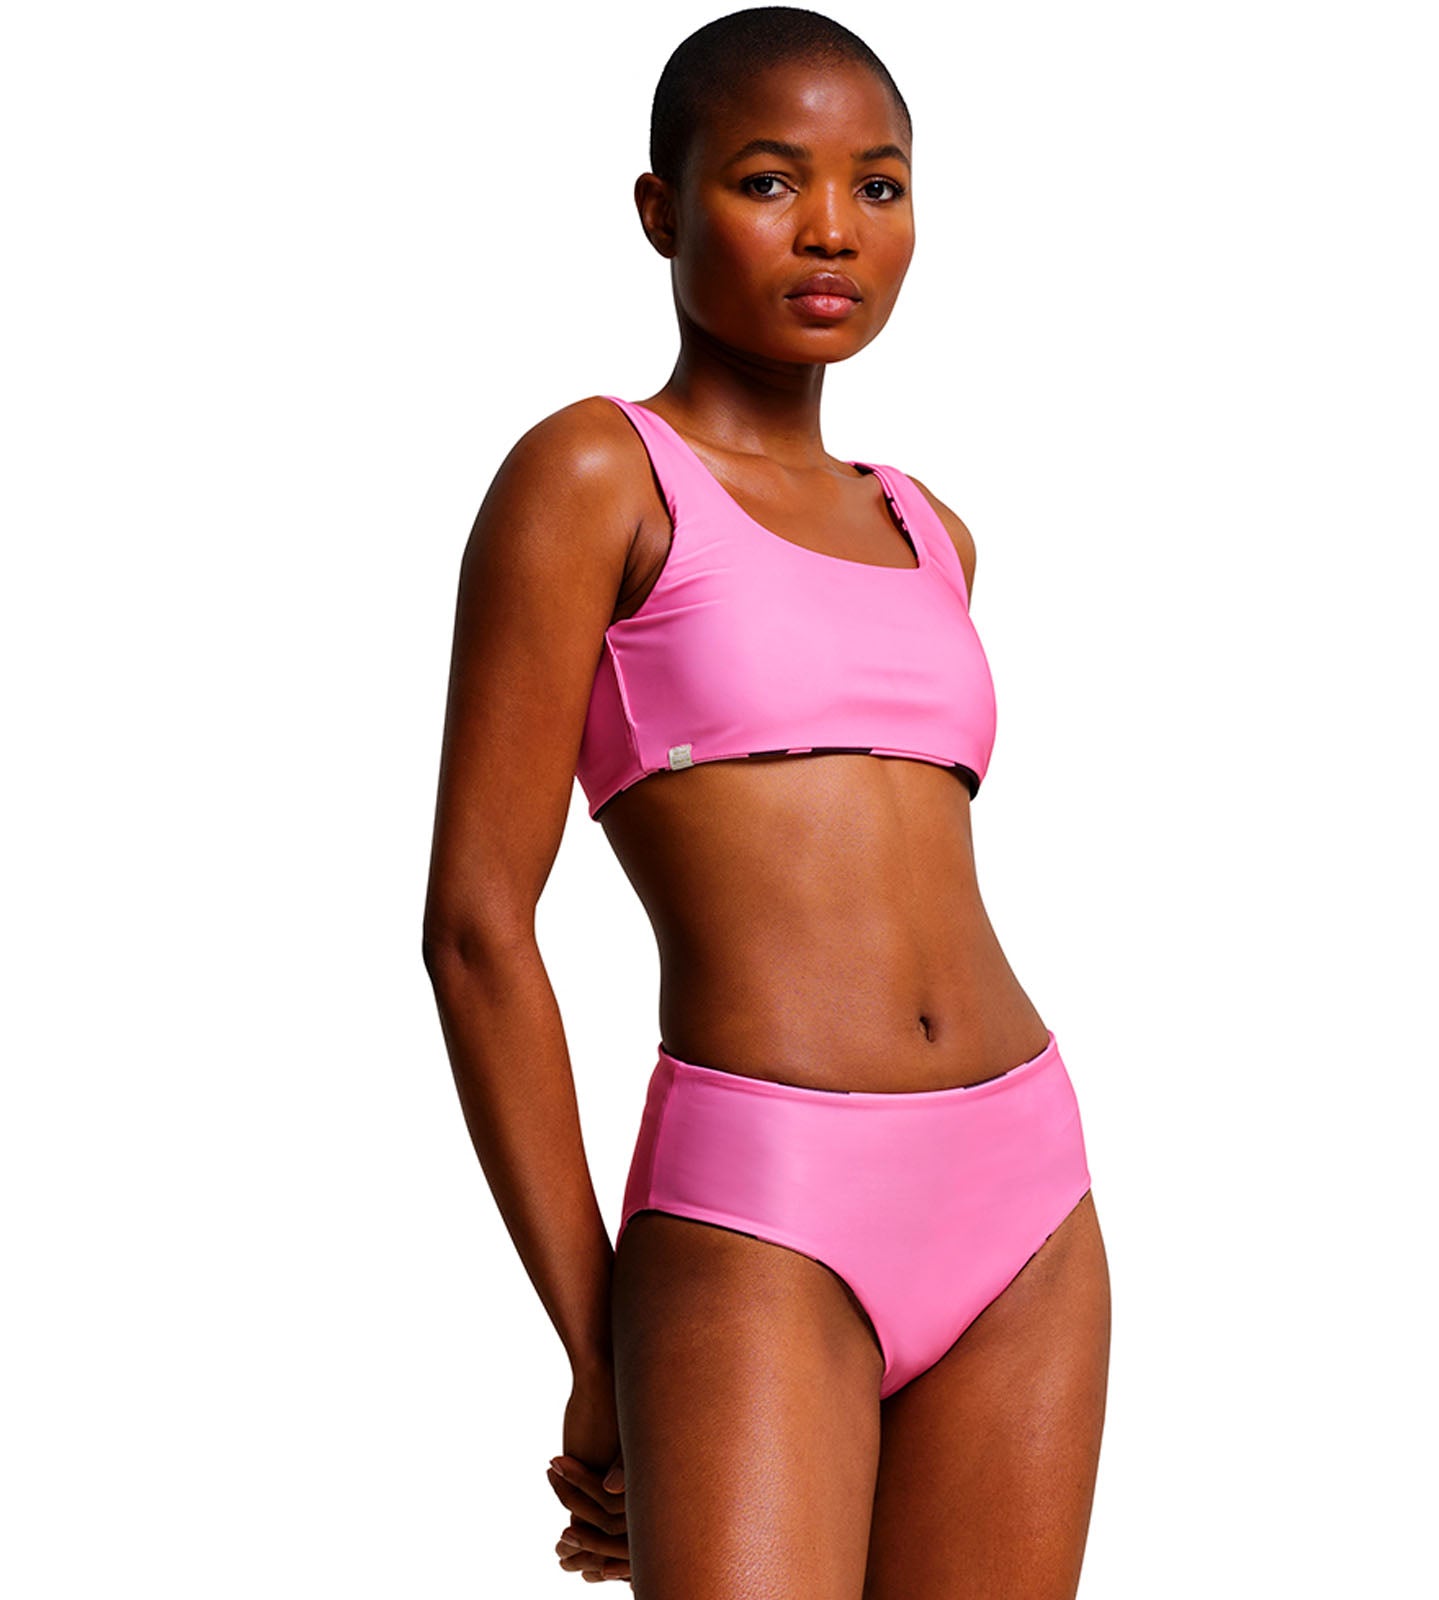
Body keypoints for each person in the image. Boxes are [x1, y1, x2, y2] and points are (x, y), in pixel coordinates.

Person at [422, 7, 1112, 1594]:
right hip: (763, 1201)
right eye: (767, 180)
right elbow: (475, 929)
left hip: (1025, 1190)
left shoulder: (930, 528)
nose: (831, 231)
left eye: (880, 185)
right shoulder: (596, 476)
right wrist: (599, 1338)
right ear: (661, 208)